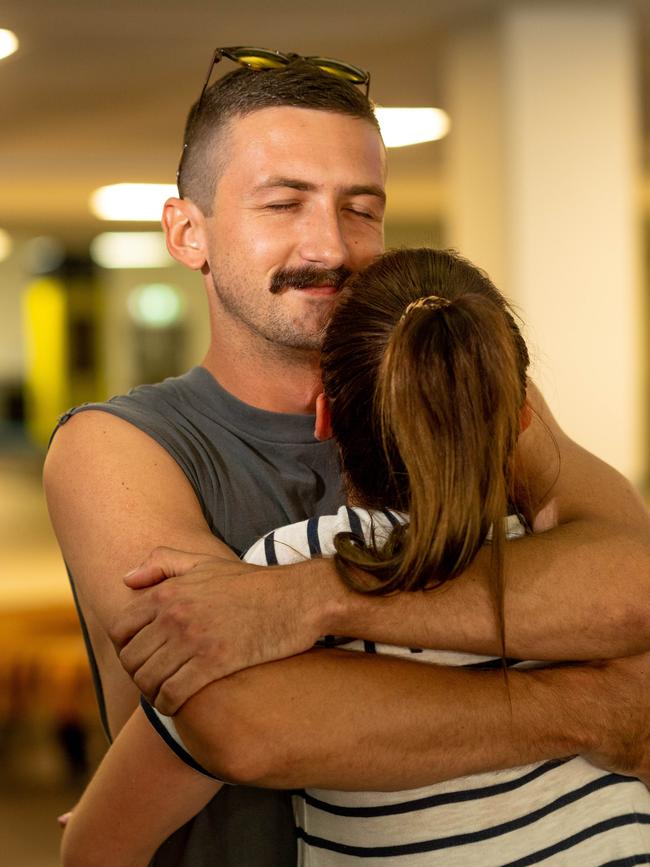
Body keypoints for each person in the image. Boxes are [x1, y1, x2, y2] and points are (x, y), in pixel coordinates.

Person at [45, 48, 650, 867]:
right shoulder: (118, 445)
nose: (330, 245)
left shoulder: (465, 393)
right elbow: (245, 722)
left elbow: (629, 582)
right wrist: (599, 707)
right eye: (284, 203)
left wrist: (306, 600)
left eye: (360, 208)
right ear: (189, 233)